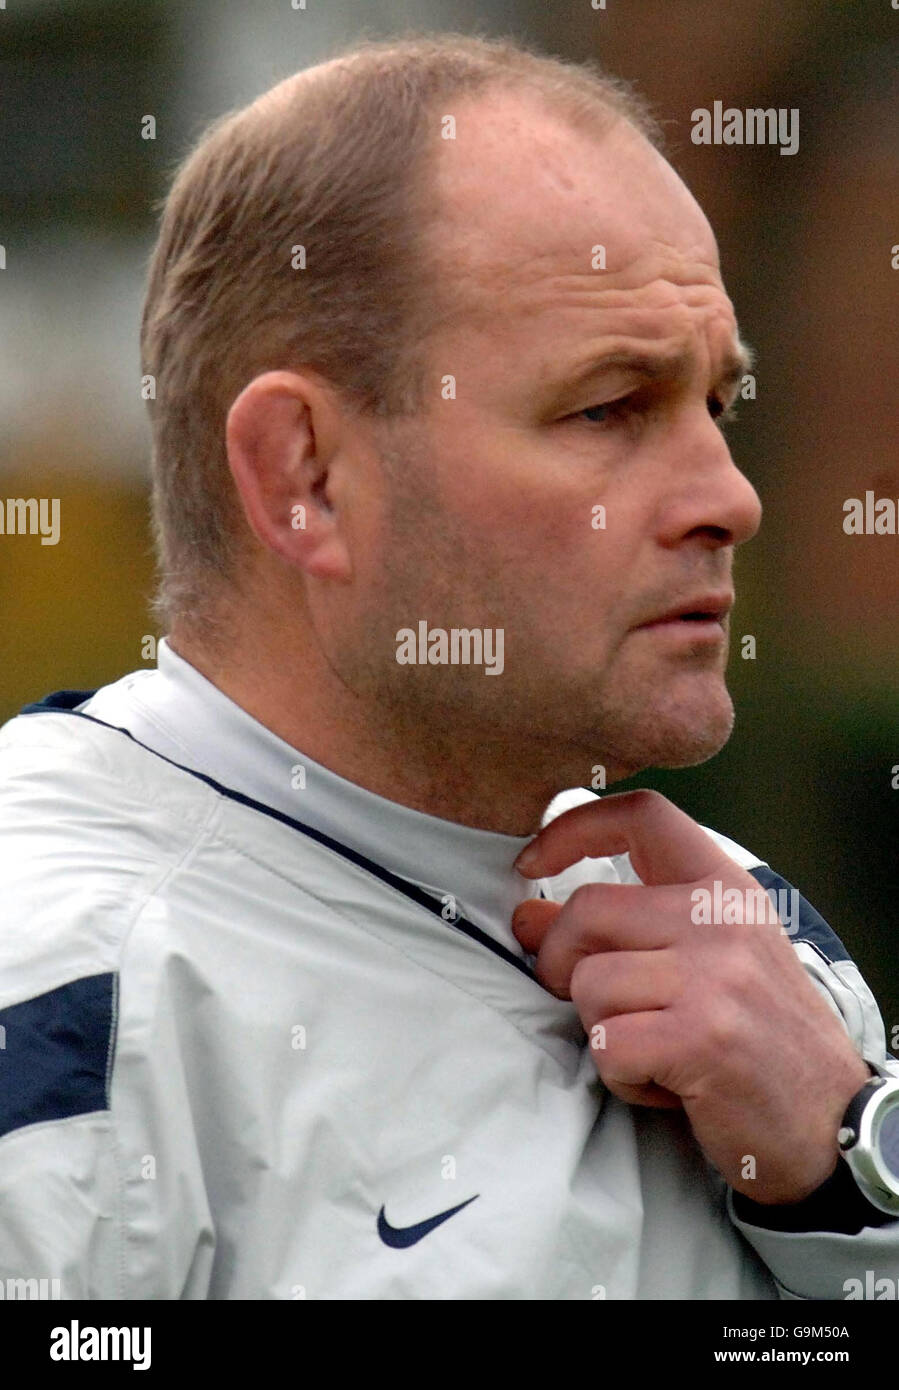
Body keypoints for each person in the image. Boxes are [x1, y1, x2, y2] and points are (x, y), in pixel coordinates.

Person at [1, 32, 897, 1301]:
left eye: (717, 405)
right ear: (305, 476)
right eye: (607, 407)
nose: (727, 497)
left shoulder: (750, 945)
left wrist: (847, 1163)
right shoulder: (57, 988)